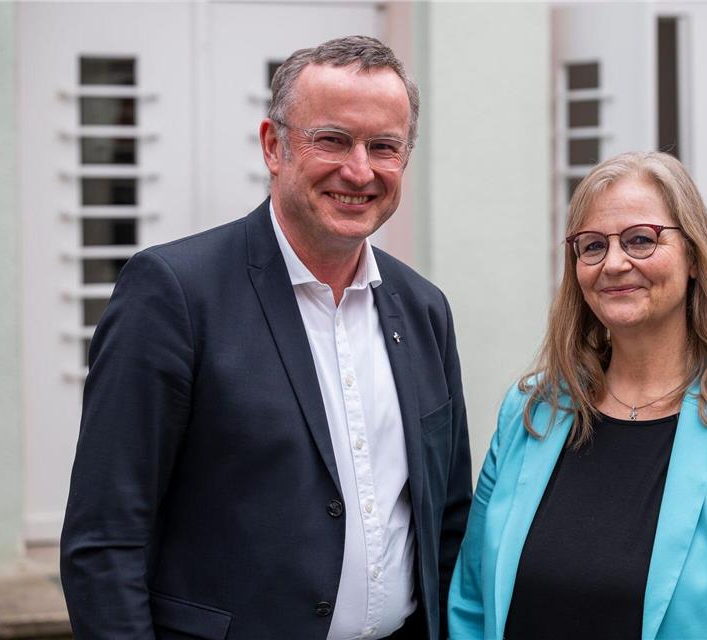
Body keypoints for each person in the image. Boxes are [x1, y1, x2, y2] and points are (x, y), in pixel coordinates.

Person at [61, 36, 472, 640]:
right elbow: (105, 539)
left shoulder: (424, 310)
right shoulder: (173, 294)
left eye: (383, 147)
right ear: (273, 146)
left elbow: (447, 521)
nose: (359, 170)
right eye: (332, 139)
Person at [448, 151, 707, 639]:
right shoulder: (530, 413)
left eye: (641, 240)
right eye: (591, 246)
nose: (614, 263)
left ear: (694, 256)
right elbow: (471, 604)